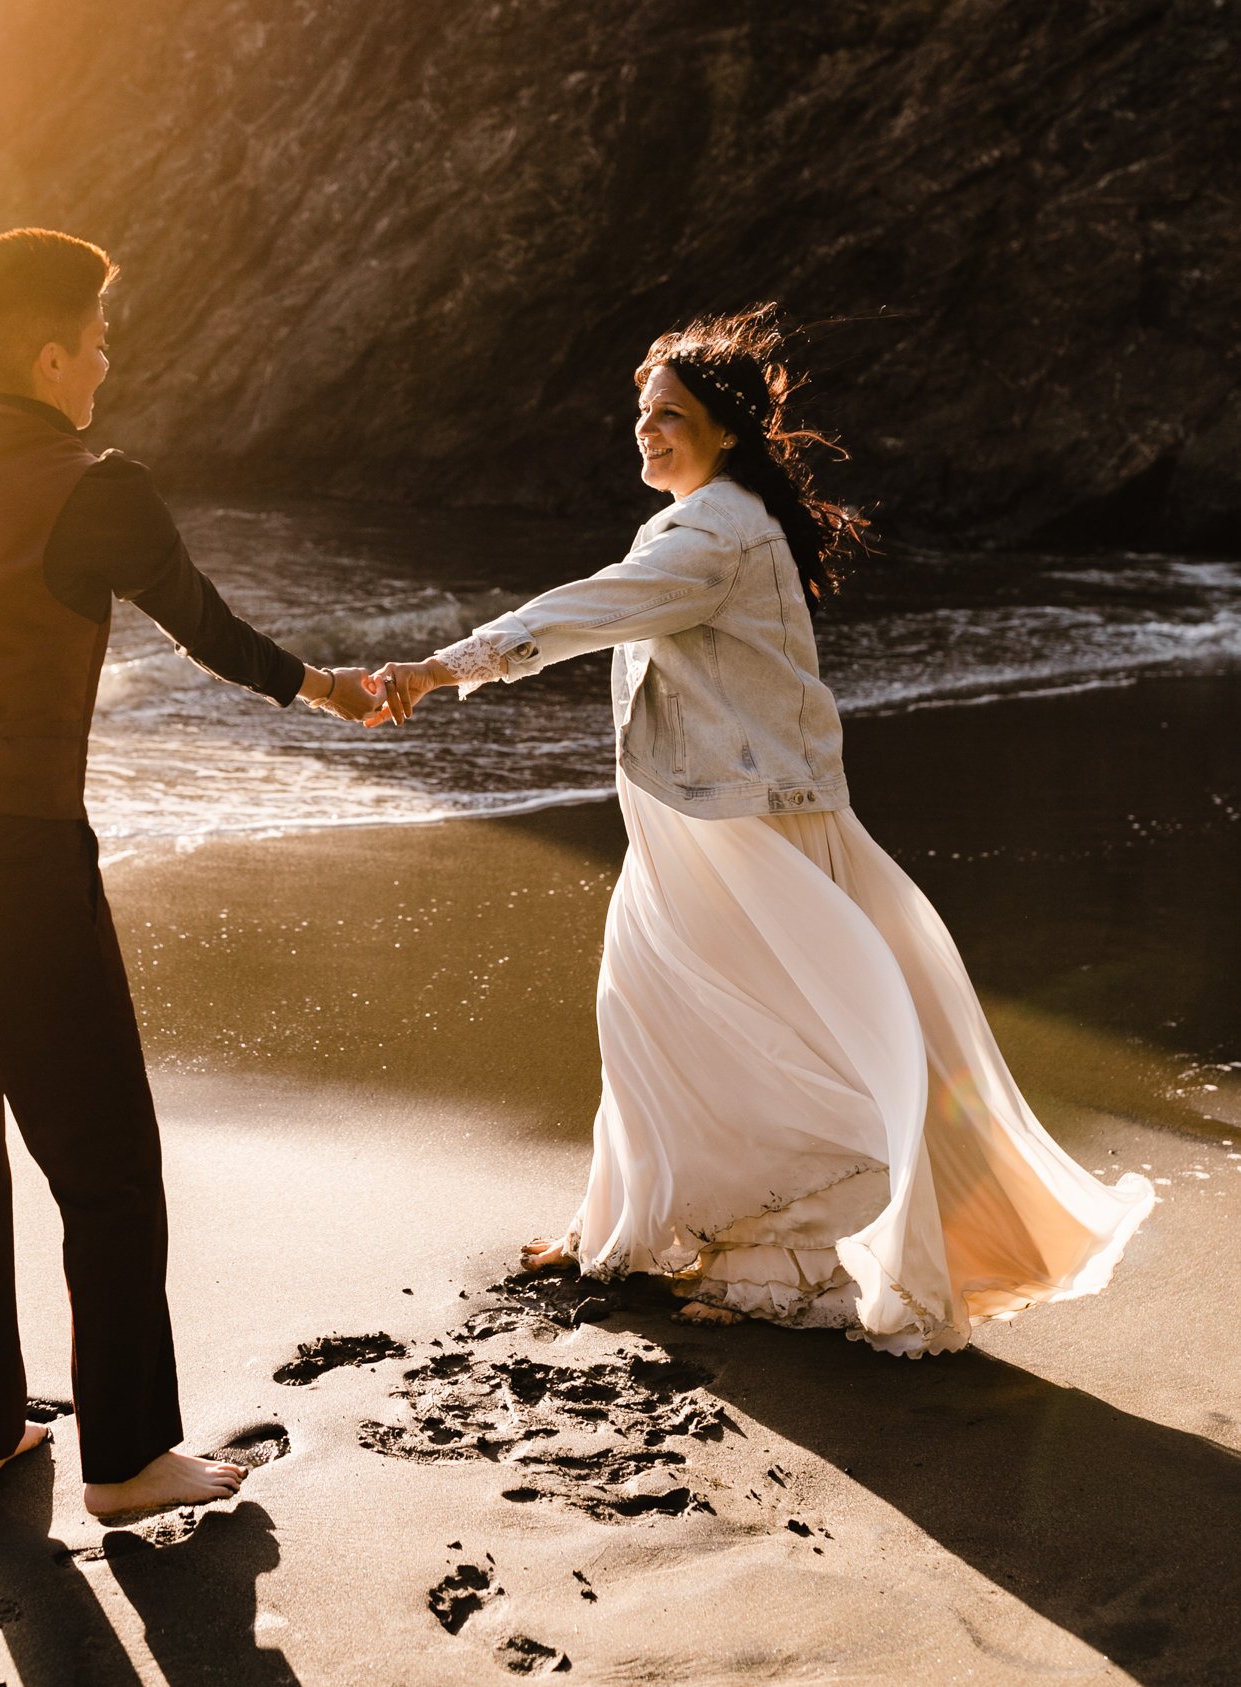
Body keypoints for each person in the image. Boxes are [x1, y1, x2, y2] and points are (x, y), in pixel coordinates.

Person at [368, 310, 1154, 1354]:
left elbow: (590, 609)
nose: (646, 432)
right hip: (702, 814)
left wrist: (438, 665)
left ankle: (806, 1264)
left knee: (773, 1038)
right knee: (656, 1015)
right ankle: (628, 1229)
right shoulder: (707, 519)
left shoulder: (715, 530)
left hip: (745, 824)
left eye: (670, 416)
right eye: (640, 414)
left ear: (726, 431)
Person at [0, 228, 382, 1511]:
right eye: (96, 335)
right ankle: (127, 1457)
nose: (107, 356)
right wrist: (327, 690)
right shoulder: (96, 482)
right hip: (6, 857)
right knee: (107, 1165)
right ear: (48, 352)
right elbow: (205, 623)